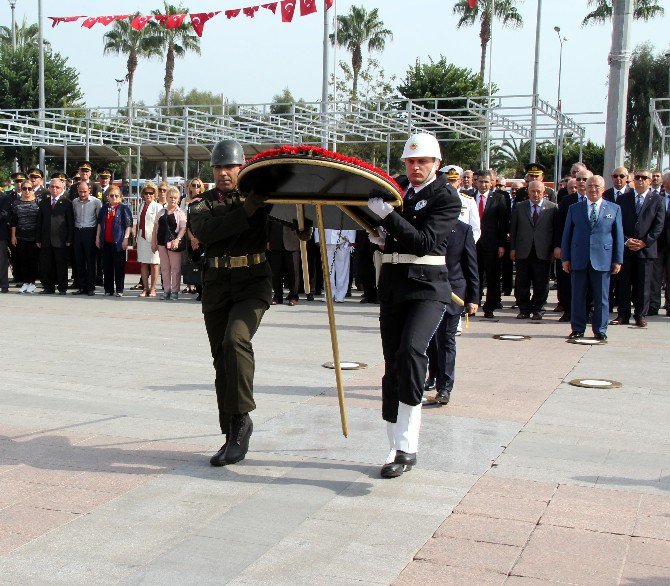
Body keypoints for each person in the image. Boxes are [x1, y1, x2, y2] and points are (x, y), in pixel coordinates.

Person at [367, 133, 461, 479]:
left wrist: (388, 217)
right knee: (393, 364)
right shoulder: (398, 189)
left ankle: (408, 446)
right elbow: (391, 232)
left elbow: (425, 241)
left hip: (427, 288)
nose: (416, 167)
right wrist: (377, 231)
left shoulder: (446, 197)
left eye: (422, 161)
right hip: (393, 284)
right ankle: (393, 445)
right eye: (410, 161)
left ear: (436, 163)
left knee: (410, 353)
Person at [188, 139, 273, 467]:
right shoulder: (201, 204)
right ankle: (230, 434)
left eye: (231, 167)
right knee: (221, 360)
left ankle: (241, 421)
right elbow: (209, 232)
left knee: (236, 340)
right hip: (217, 286)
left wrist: (303, 225)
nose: (225, 173)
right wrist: (249, 208)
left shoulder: (260, 197)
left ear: (242, 167)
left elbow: (290, 215)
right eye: (220, 167)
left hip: (253, 283)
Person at [561, 175, 623, 341]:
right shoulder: (575, 208)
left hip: (603, 259)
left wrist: (618, 260)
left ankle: (600, 330)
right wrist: (565, 258)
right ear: (585, 189)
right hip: (579, 258)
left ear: (603, 189)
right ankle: (578, 328)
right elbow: (567, 235)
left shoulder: (614, 208)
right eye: (590, 186)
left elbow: (618, 236)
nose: (593, 189)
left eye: (596, 186)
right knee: (578, 296)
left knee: (601, 298)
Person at [425, 220, 479, 405]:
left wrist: (473, 298)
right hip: (429, 289)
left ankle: (445, 388)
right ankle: (432, 375)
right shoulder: (429, 224)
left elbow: (471, 264)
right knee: (430, 339)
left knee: (447, 339)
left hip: (453, 291)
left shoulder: (463, 230)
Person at [609, 169, 665, 328]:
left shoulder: (657, 200)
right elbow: (617, 223)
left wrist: (644, 242)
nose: (640, 180)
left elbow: (658, 226)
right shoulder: (623, 199)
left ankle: (640, 314)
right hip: (626, 248)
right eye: (637, 177)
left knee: (643, 284)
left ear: (650, 181)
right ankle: (622, 314)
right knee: (624, 283)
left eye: (644, 178)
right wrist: (626, 241)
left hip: (646, 249)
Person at [510, 180, 558, 320]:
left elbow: (555, 231)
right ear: (528, 192)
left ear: (544, 192)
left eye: (539, 191)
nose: (536, 194)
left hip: (543, 251)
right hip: (523, 250)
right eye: (533, 191)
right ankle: (524, 309)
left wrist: (553, 250)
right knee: (522, 282)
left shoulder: (552, 208)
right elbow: (514, 229)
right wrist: (512, 248)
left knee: (541, 283)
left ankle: (538, 309)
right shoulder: (520, 207)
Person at [555, 170, 593, 322]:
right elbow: (559, 225)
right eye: (579, 179)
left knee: (590, 282)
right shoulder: (567, 201)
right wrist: (558, 246)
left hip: (591, 248)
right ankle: (569, 310)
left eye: (585, 179)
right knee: (567, 281)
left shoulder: (600, 201)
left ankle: (588, 311)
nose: (582, 182)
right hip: (570, 248)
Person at [474, 169, 508, 318]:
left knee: (493, 276)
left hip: (492, 244)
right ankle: (473, 303)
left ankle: (490, 307)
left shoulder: (499, 198)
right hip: (473, 243)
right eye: (481, 181)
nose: (483, 184)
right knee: (474, 276)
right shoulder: (468, 197)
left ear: (492, 183)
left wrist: (502, 245)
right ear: (476, 182)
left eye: (486, 182)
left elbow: (503, 224)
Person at [36, 172, 74, 295]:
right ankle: (48, 287)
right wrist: (38, 238)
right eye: (52, 187)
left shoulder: (67, 203)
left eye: (57, 187)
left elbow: (70, 222)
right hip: (46, 239)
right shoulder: (44, 202)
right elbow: (39, 221)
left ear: (62, 187)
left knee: (61, 265)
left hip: (61, 239)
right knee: (47, 265)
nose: (54, 189)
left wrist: (69, 238)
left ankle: (62, 288)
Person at [151, 186, 187, 300]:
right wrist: (153, 242)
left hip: (173, 243)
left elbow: (183, 228)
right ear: (166, 198)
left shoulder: (180, 213)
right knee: (165, 268)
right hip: (161, 242)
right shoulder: (161, 212)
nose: (173, 200)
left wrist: (178, 239)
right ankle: (166, 290)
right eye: (170, 197)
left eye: (175, 198)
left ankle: (175, 291)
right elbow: (155, 228)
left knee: (175, 268)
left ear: (178, 199)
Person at [96, 186, 132, 297]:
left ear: (120, 197)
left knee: (119, 267)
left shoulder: (123, 208)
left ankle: (119, 289)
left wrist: (126, 239)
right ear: (107, 197)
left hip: (118, 242)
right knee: (107, 266)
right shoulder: (104, 208)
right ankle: (108, 289)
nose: (114, 197)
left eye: (117, 195)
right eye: (112, 195)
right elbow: (100, 224)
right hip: (106, 242)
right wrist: (97, 237)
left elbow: (128, 225)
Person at [71, 181, 102, 296]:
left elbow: (99, 219)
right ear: (77, 191)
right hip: (78, 231)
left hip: (90, 232)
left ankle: (90, 287)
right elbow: (74, 216)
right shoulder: (75, 202)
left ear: (89, 190)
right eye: (80, 191)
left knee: (90, 261)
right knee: (79, 261)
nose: (82, 194)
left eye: (84, 191)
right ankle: (81, 286)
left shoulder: (96, 202)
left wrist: (98, 236)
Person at [10, 180, 40, 293]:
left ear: (32, 189)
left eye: (29, 188)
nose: (27, 191)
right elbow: (14, 221)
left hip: (34, 237)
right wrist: (13, 236)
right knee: (23, 260)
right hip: (21, 236)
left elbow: (40, 220)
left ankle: (32, 283)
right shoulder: (16, 203)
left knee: (33, 260)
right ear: (21, 190)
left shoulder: (38, 202)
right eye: (24, 188)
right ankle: (25, 282)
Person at [648, 171, 670, 316]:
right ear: (665, 183)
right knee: (654, 277)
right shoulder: (658, 198)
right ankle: (653, 305)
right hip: (658, 243)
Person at [135, 183, 162, 297]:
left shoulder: (158, 207)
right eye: (146, 193)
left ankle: (153, 288)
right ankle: (145, 288)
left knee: (154, 263)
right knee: (144, 263)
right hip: (142, 237)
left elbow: (159, 225)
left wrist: (155, 241)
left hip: (153, 238)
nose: (148, 195)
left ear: (155, 194)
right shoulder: (141, 206)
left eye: (151, 193)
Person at [268, 217, 302, 306]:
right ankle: (277, 296)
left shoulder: (295, 205)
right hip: (275, 241)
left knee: (293, 272)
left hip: (292, 240)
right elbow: (267, 222)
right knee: (276, 271)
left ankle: (294, 296)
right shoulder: (274, 204)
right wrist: (267, 240)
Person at [181, 178, 206, 298]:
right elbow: (188, 224)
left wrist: (199, 238)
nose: (195, 187)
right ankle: (199, 290)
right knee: (195, 263)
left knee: (204, 265)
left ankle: (205, 291)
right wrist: (192, 238)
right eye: (193, 185)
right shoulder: (189, 203)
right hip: (192, 238)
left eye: (198, 185)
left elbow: (207, 222)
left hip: (204, 239)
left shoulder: (206, 201)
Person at [0, 189, 10, 292]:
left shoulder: (4, 197)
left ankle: (3, 284)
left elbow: (4, 213)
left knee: (2, 261)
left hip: (1, 235)